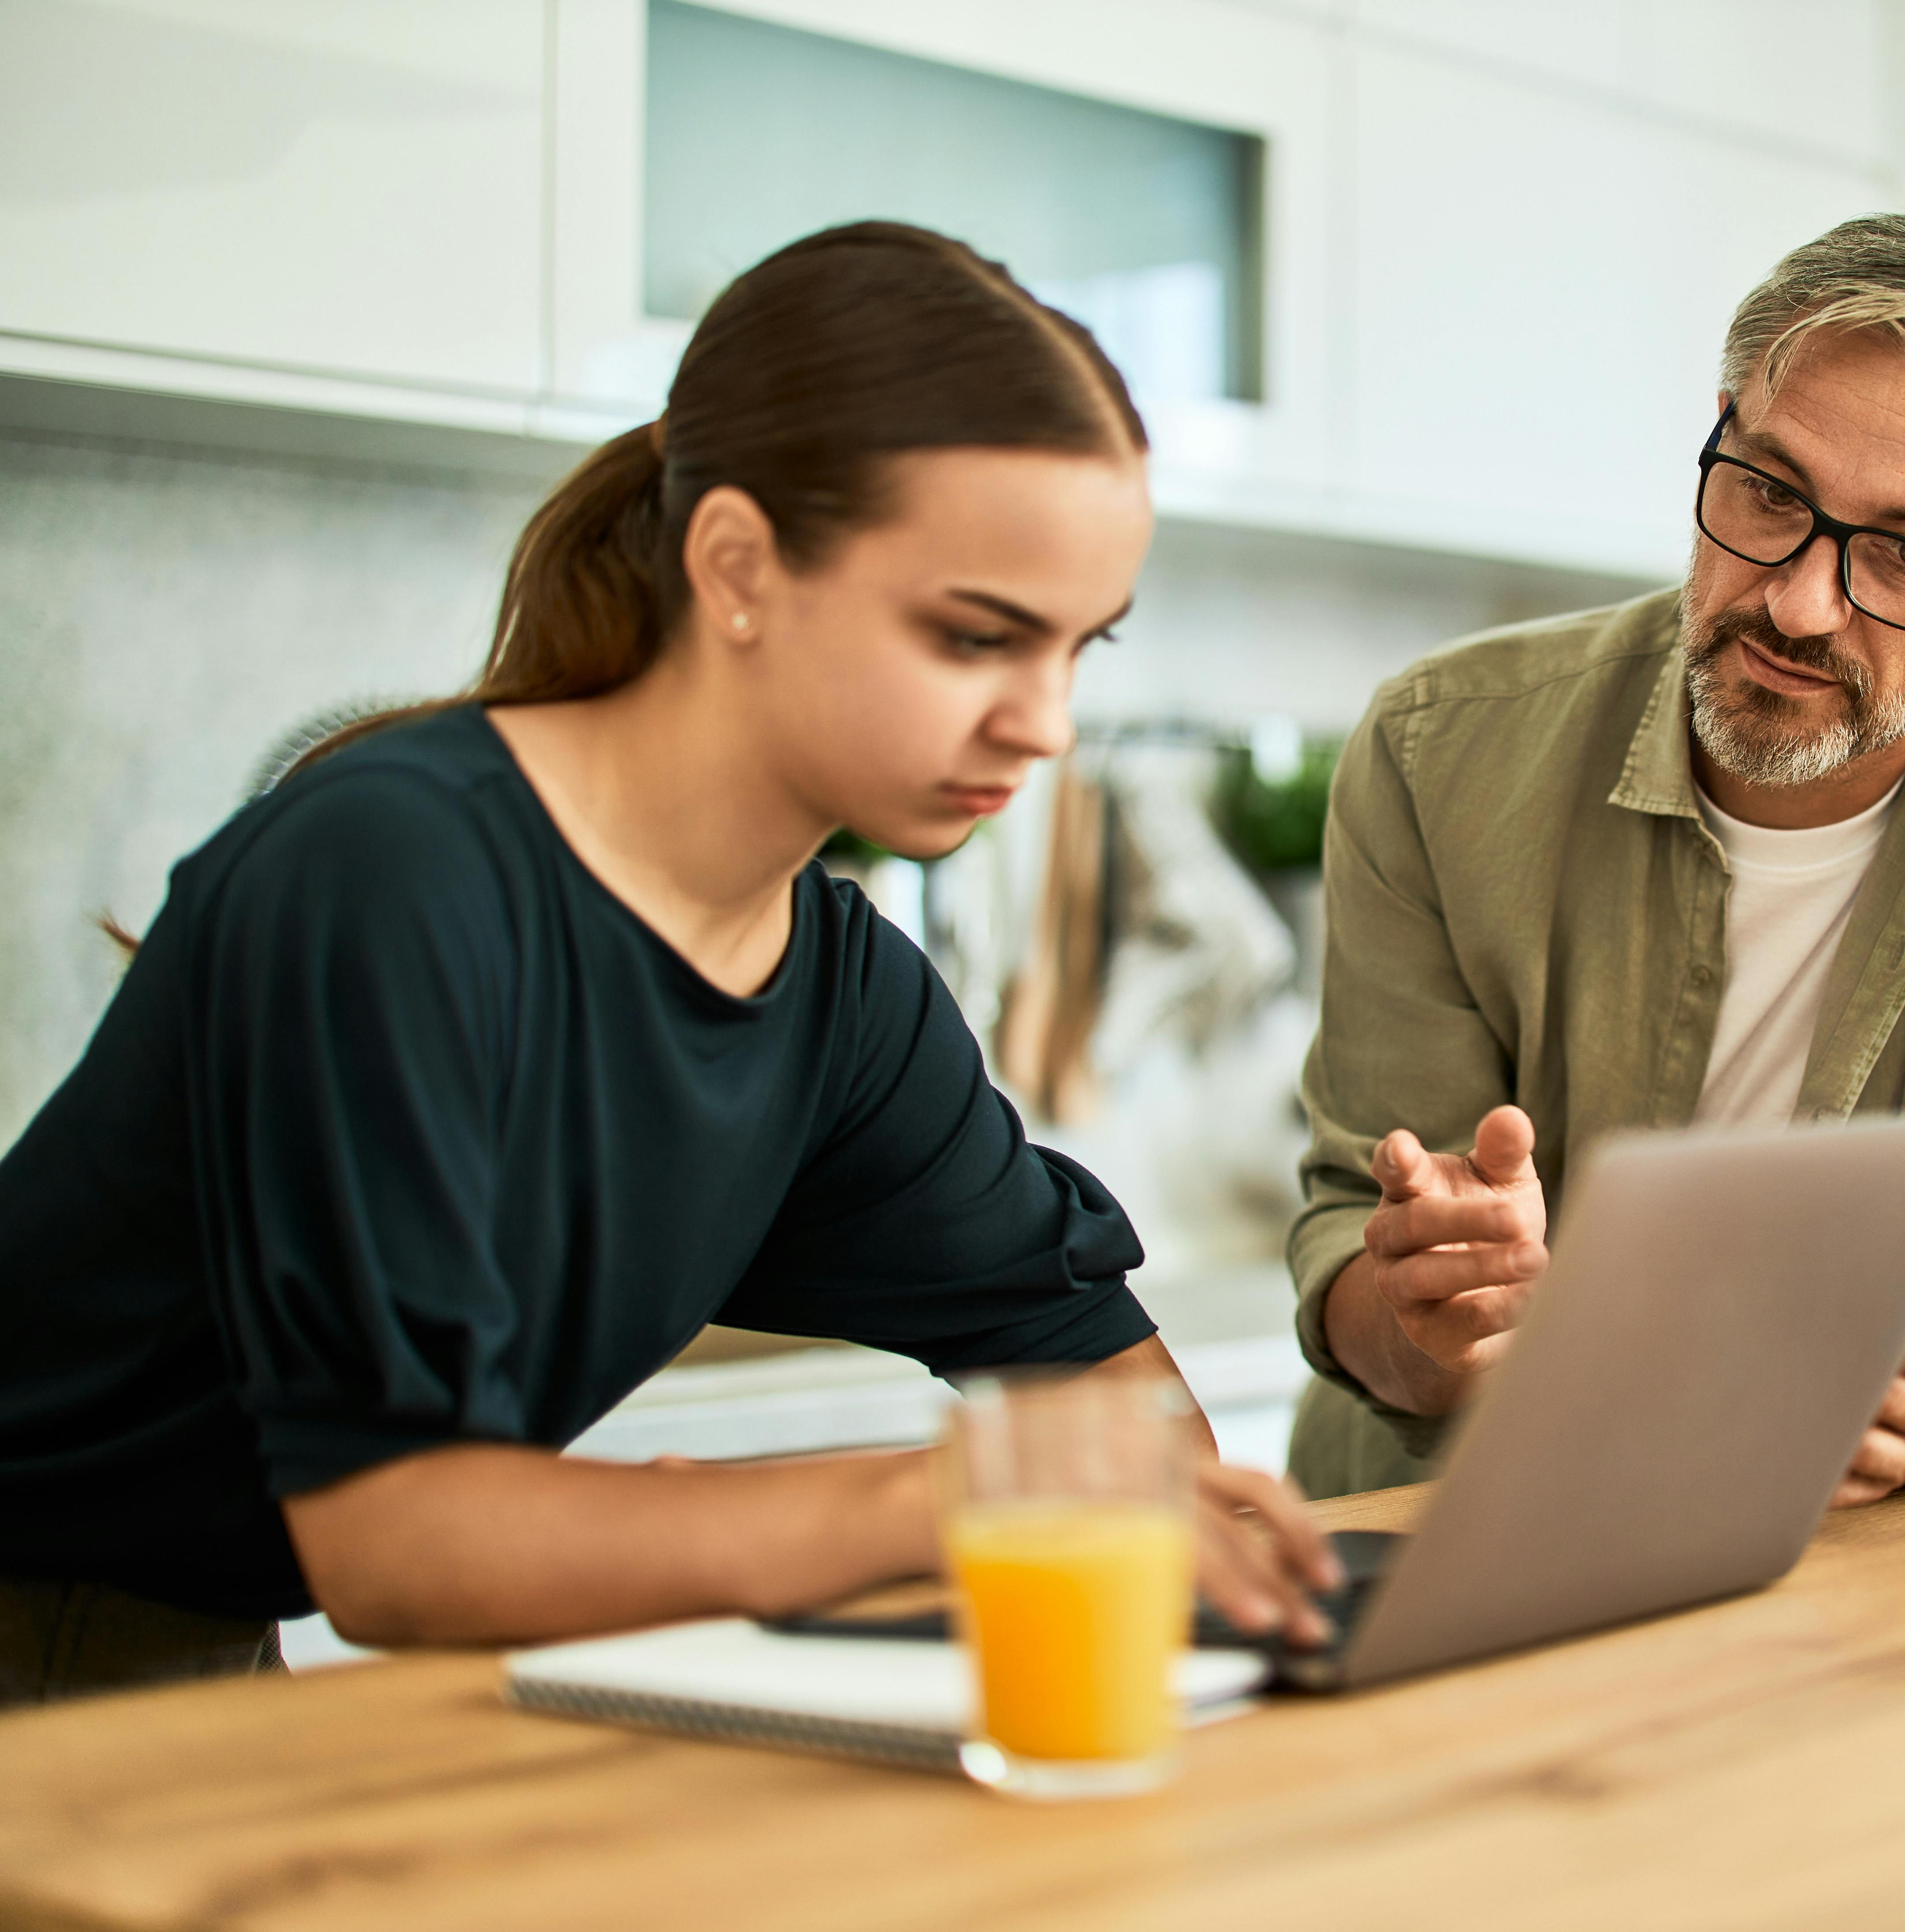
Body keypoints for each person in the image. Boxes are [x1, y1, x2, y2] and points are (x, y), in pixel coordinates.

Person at [0, 222, 1336, 1706]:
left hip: (184, 1642)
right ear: (738, 565)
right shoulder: (392, 871)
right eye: (976, 638)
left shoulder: (839, 995)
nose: (1045, 722)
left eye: (1081, 649)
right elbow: (401, 1545)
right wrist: (930, 1502)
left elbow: (1110, 1408)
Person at [1286, 214, 1905, 1501]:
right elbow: (1350, 1251)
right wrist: (1428, 1315)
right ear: (1716, 435)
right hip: (1429, 1522)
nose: (1797, 602)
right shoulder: (1437, 747)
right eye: (1769, 493)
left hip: (1826, 1555)